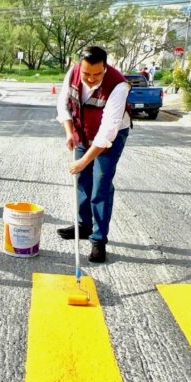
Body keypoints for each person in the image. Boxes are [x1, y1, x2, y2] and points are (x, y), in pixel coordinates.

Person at [56, 46, 131, 263]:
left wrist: (84, 160)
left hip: (111, 137)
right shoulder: (73, 73)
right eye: (86, 73)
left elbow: (108, 131)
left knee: (101, 184)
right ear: (80, 67)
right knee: (82, 179)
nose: (90, 79)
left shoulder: (118, 85)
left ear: (105, 68)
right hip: (83, 131)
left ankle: (98, 239)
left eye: (96, 74)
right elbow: (64, 104)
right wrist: (69, 132)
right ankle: (84, 225)